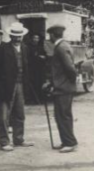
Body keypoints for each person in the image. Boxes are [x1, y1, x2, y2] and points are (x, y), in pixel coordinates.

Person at [0, 22, 34, 151]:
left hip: (20, 84)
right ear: (10, 35)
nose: (17, 38)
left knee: (20, 113)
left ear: (22, 36)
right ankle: (4, 142)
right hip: (6, 87)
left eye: (19, 36)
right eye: (15, 35)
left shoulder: (25, 48)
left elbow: (27, 67)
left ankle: (18, 139)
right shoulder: (3, 49)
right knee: (4, 115)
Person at [47, 24, 79, 153]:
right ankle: (66, 141)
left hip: (63, 88)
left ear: (54, 35)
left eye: (50, 35)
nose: (49, 38)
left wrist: (68, 82)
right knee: (61, 115)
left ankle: (70, 142)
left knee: (63, 115)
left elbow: (70, 68)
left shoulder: (60, 47)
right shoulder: (63, 46)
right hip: (63, 86)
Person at [26, 33, 47, 104]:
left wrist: (43, 57)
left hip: (39, 69)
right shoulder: (28, 47)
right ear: (31, 39)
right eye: (34, 38)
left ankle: (39, 98)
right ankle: (31, 99)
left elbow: (45, 55)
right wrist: (38, 57)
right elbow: (28, 58)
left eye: (37, 38)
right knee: (32, 84)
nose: (36, 40)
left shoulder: (40, 47)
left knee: (39, 83)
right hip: (31, 69)